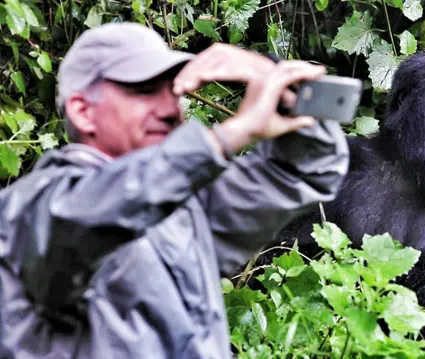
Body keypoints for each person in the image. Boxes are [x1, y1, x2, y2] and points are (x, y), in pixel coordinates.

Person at [0, 22, 349, 359]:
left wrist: (276, 81)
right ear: (83, 112)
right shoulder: (31, 205)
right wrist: (228, 135)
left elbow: (306, 171)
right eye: (145, 91)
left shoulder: (185, 208)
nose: (170, 109)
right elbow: (79, 225)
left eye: (174, 91)